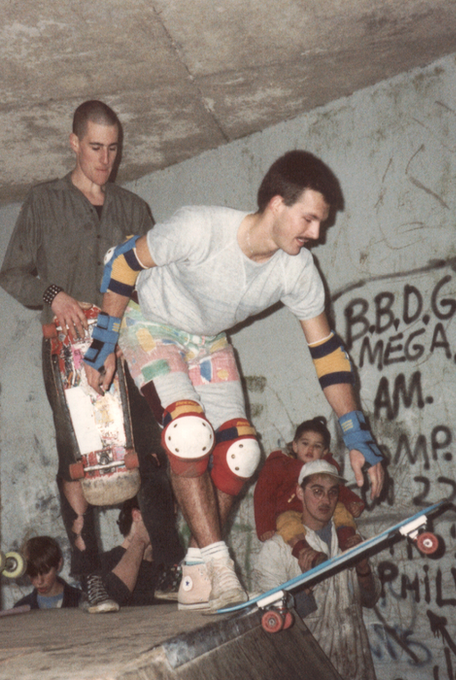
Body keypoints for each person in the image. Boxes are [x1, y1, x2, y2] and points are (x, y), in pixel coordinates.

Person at [86, 150, 387, 613]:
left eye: (321, 224)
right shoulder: (201, 228)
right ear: (275, 204)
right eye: (309, 220)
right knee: (188, 434)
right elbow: (123, 263)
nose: (316, 234)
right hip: (151, 324)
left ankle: (195, 568)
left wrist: (356, 433)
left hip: (208, 341)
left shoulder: (298, 269)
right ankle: (221, 566)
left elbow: (327, 353)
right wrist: (105, 339)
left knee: (243, 453)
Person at [0, 100, 185, 614]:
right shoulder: (43, 202)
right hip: (67, 348)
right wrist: (53, 294)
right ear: (74, 143)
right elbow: (12, 274)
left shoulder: (134, 208)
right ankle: (89, 574)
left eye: (114, 149)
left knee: (153, 451)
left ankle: (171, 561)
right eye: (95, 147)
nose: (105, 159)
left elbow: (159, 283)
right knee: (75, 462)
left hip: (129, 341)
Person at [253, 460, 378, 680]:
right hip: (307, 669)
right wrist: (305, 588)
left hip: (357, 666)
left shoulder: (351, 539)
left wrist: (363, 567)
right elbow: (271, 626)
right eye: (317, 492)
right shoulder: (276, 549)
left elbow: (370, 599)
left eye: (332, 493)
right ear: (299, 493)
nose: (326, 500)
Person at [254, 416, 366, 571]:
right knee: (287, 523)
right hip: (288, 510)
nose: (310, 450)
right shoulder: (280, 465)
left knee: (340, 509)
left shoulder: (325, 467)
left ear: (325, 451)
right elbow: (263, 495)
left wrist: (353, 502)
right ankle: (305, 551)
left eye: (317, 446)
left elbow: (339, 491)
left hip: (318, 510)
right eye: (305, 444)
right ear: (294, 445)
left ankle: (347, 541)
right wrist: (264, 526)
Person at [12, 537, 83, 611]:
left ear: (59, 564)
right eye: (33, 574)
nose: (39, 582)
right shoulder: (20, 608)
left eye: (45, 572)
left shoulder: (81, 600)